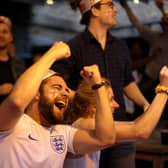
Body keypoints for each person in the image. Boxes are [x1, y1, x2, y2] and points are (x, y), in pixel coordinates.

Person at [52, 0, 149, 168]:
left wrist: (144, 103)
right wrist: (80, 97)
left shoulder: (120, 45)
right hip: (88, 130)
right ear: (94, 10)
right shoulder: (74, 46)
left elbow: (128, 82)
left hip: (118, 125)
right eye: (110, 5)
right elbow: (58, 83)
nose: (115, 9)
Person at [0, 41, 117, 168]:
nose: (65, 94)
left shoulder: (63, 133)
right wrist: (53, 54)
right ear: (35, 94)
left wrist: (98, 85)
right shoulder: (12, 124)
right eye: (57, 87)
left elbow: (105, 139)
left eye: (66, 90)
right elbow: (17, 101)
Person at [63, 68, 168, 168]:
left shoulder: (86, 123)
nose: (117, 105)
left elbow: (134, 125)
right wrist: (164, 90)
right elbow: (140, 131)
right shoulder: (84, 125)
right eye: (111, 99)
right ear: (94, 105)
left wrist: (149, 107)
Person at [120, 0, 168, 87]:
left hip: (163, 78)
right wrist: (126, 7)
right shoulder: (155, 37)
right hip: (150, 77)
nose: (164, 25)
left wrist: (162, 10)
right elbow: (137, 24)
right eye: (163, 23)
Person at [0, 15, 25, 103]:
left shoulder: (19, 64)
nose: (1, 35)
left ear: (11, 37)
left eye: (5, 32)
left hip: (13, 113)